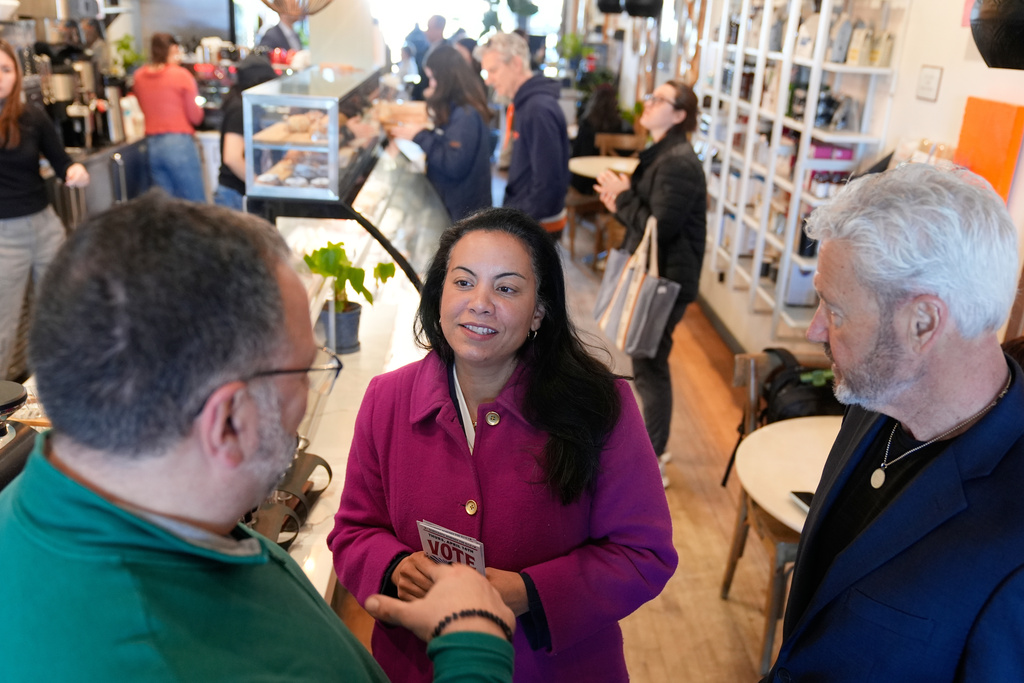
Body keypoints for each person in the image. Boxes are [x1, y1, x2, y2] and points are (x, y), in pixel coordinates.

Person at [0, 192, 516, 682]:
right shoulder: (157, 658)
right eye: (303, 373)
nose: (309, 399)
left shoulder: (119, 502)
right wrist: (471, 642)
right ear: (227, 422)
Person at [329, 208, 677, 682]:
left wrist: (527, 591)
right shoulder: (386, 400)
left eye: (507, 288)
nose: (480, 303)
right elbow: (353, 530)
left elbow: (644, 552)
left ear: (539, 310)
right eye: (463, 282)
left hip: (555, 668)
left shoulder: (601, 405)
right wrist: (393, 567)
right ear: (438, 295)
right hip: (419, 665)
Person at [766, 163, 1024, 681]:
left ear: (923, 323)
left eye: (835, 310)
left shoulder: (1011, 537)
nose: (815, 327)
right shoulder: (875, 398)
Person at [593, 81, 706, 485]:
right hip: (662, 275)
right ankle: (657, 446)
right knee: (648, 360)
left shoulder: (677, 161)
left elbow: (661, 226)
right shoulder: (663, 152)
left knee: (649, 364)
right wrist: (622, 198)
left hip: (667, 279)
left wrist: (623, 197)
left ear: (679, 115)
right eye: (651, 95)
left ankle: (653, 455)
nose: (649, 102)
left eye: (660, 99)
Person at [0, 39, 89, 379]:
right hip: (5, 236)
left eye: (6, 69)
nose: (0, 77)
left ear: (17, 75)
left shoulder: (31, 116)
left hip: (45, 225)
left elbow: (62, 162)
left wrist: (74, 172)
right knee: (3, 327)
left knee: (58, 312)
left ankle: (59, 391)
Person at [476, 33, 570, 238]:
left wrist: (513, 225)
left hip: (538, 226)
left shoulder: (537, 109)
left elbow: (548, 184)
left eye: (493, 70)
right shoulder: (526, 104)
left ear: (516, 64)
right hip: (529, 219)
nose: (489, 80)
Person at [389, 45, 492, 221]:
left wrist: (419, 135)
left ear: (445, 77)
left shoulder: (465, 114)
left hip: (461, 208)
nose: (431, 84)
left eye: (432, 78)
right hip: (462, 203)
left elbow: (454, 164)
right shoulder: (462, 106)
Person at [131, 33, 206, 202]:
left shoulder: (139, 77)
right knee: (195, 205)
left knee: (166, 208)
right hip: (179, 144)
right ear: (173, 50)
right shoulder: (180, 75)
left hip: (152, 146)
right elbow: (196, 117)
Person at [214, 53, 278, 211]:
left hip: (237, 191)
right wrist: (258, 183)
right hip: (235, 194)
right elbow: (232, 158)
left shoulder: (246, 103)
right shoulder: (240, 108)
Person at [569, 83, 630, 194]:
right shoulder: (621, 126)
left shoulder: (587, 125)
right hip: (614, 182)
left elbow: (578, 153)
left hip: (585, 182)